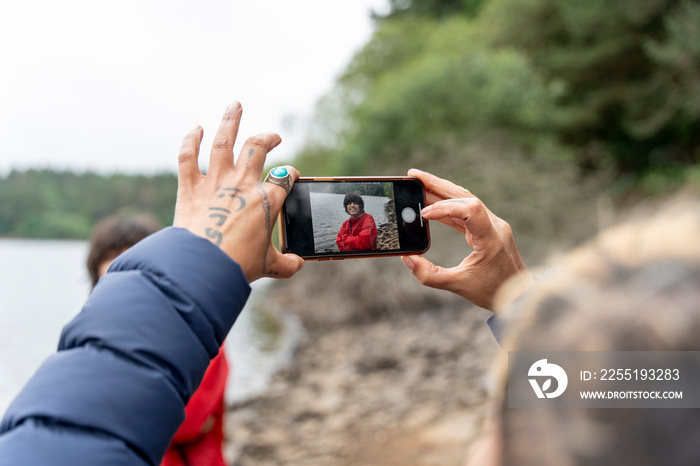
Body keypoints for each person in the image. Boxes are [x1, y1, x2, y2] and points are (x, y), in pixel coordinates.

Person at [0, 101, 305, 465]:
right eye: (116, 271)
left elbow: (189, 423)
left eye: (139, 265)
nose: (128, 276)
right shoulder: (94, 340)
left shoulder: (199, 341)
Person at [87, 214, 230, 466]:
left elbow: (184, 423)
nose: (123, 265)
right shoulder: (89, 336)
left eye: (135, 254)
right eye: (112, 256)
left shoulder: (202, 336)